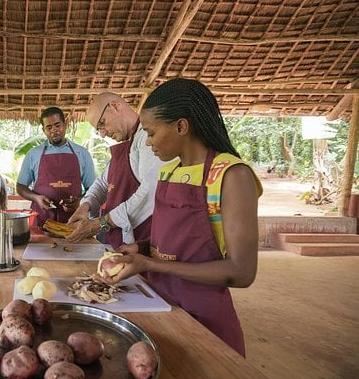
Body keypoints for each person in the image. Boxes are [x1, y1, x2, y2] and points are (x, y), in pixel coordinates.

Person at [101, 78, 263, 357]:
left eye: (151, 133)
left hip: (204, 316)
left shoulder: (231, 175)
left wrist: (152, 264)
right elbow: (171, 239)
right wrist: (140, 248)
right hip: (160, 303)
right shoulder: (168, 172)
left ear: (181, 126)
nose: (148, 142)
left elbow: (241, 272)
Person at [66, 93, 164, 250]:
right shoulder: (127, 144)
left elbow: (150, 193)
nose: (103, 133)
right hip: (118, 243)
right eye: (98, 129)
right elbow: (102, 183)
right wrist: (85, 205)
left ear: (115, 106)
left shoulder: (146, 138)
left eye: (102, 123)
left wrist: (99, 224)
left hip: (143, 242)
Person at [16, 107, 96, 227]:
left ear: (65, 125)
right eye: (49, 127)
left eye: (57, 125)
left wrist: (79, 201)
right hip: (42, 220)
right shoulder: (33, 154)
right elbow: (20, 186)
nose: (54, 130)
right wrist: (36, 198)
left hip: (74, 222)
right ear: (44, 130)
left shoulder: (82, 153)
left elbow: (93, 189)